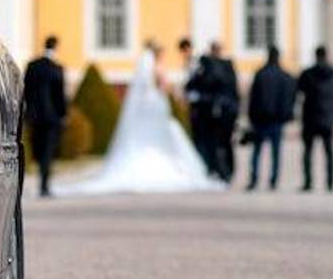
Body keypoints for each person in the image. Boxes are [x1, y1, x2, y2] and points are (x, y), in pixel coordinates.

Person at [56, 40, 222, 195]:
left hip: (148, 107)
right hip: (156, 105)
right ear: (158, 54)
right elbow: (164, 86)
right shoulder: (158, 68)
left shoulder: (145, 69)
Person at [297, 45, 333, 192]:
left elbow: (299, 89)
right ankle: (330, 183)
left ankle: (308, 182)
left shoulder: (307, 74)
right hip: (328, 117)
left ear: (316, 56)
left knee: (308, 152)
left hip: (310, 118)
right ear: (327, 55)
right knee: (329, 152)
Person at [246, 45, 296, 191]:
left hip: (261, 119)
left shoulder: (260, 74)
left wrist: (251, 117)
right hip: (277, 120)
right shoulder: (285, 76)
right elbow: (290, 98)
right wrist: (287, 115)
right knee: (276, 152)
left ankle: (254, 179)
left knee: (257, 151)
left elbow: (253, 98)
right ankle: (273, 181)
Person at [24, 35, 67, 197]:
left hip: (34, 116)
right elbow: (60, 96)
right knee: (47, 152)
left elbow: (26, 91)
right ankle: (44, 186)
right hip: (51, 117)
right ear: (56, 47)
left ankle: (42, 183)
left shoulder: (32, 65)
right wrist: (63, 114)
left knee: (38, 149)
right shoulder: (57, 68)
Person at [184, 40, 222, 178]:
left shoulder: (215, 73)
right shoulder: (202, 74)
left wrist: (200, 98)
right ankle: (205, 166)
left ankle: (210, 167)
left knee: (208, 142)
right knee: (203, 141)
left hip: (207, 113)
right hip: (202, 114)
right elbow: (189, 88)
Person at [209, 41, 240, 183]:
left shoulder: (215, 66)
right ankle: (226, 170)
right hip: (228, 110)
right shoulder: (227, 66)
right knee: (225, 143)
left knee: (221, 143)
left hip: (222, 111)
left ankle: (224, 171)